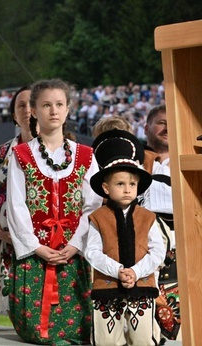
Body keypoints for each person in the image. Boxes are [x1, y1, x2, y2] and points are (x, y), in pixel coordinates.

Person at [6, 78, 103, 344]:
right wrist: (36, 247)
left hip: (72, 251)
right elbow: (16, 205)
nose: (54, 111)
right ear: (34, 111)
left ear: (68, 109)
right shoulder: (21, 154)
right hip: (36, 251)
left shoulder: (86, 155)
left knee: (77, 328)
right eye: (46, 105)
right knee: (35, 329)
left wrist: (75, 245)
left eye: (59, 104)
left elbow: (92, 206)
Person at [85, 130, 165, 345]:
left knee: (142, 339)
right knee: (107, 340)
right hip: (108, 286)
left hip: (142, 285)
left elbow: (157, 251)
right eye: (120, 184)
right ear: (106, 188)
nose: (127, 189)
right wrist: (118, 271)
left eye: (132, 184)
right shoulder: (98, 218)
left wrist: (136, 272)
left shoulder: (148, 217)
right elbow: (92, 252)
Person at [0, 85, 35, 329]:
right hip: (5, 243)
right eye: (21, 105)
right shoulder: (0, 154)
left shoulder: (63, 152)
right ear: (14, 115)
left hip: (46, 244)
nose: (28, 110)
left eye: (33, 104)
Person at [142, 105, 181, 341]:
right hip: (143, 244)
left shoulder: (189, 161)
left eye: (171, 123)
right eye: (161, 122)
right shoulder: (133, 160)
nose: (166, 128)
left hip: (183, 241)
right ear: (146, 128)